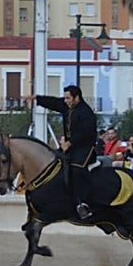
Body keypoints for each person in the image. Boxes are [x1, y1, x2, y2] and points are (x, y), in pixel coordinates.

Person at [34, 84, 98, 219]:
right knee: (54, 164)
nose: (65, 101)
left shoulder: (87, 113)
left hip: (85, 149)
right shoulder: (66, 107)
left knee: (76, 169)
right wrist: (36, 98)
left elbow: (87, 134)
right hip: (69, 148)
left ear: (76, 97)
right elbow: (53, 102)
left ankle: (83, 204)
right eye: (65, 98)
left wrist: (70, 142)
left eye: (68, 98)